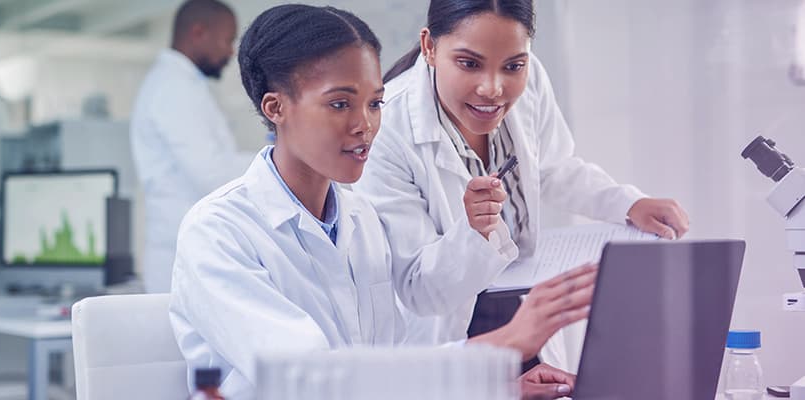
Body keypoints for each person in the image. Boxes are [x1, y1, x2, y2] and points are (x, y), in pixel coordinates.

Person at [169, 4, 596, 399]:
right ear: (276, 107)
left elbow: (393, 370)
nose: (365, 125)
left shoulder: (361, 220)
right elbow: (312, 380)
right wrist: (503, 343)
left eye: (375, 103)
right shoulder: (218, 232)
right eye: (340, 104)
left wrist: (498, 388)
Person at [352, 0, 691, 364]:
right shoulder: (386, 130)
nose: (493, 89)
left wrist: (627, 204)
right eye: (469, 64)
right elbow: (419, 288)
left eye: (513, 66)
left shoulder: (531, 79)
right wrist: (474, 231)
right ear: (429, 47)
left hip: (518, 305)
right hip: (447, 332)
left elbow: (552, 167)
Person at [131, 0, 254, 293]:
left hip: (188, 250)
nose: (231, 51)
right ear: (198, 32)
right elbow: (212, 173)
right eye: (228, 40)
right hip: (180, 256)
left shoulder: (183, 85)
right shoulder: (174, 89)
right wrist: (283, 158)